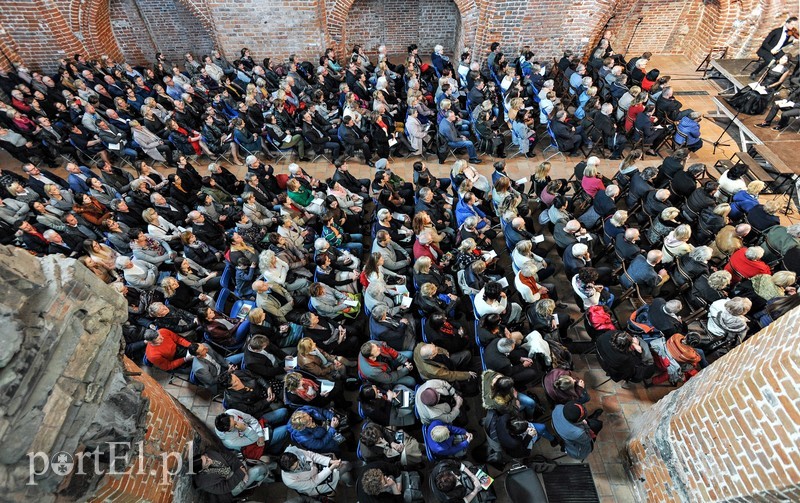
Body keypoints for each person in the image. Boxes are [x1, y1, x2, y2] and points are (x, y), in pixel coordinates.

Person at [214, 408, 289, 460]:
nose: (237, 422)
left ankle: (277, 438)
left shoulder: (230, 412)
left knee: (284, 412)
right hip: (254, 443)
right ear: (228, 431)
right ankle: (274, 450)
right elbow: (253, 439)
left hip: (258, 428)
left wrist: (260, 433)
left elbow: (250, 419)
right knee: (286, 429)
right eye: (234, 425)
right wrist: (244, 429)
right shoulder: (230, 441)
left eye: (233, 419)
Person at [192, 449, 270, 498]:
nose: (209, 459)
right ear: (201, 470)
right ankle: (274, 467)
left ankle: (269, 477)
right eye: (206, 462)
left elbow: (231, 459)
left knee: (259, 476)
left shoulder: (210, 453)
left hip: (234, 471)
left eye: (205, 457)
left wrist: (243, 471)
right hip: (232, 488)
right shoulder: (205, 482)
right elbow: (226, 487)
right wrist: (240, 473)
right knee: (258, 470)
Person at [279, 446, 354, 497]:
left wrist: (330, 461)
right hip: (315, 485)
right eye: (295, 468)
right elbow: (313, 482)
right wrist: (330, 468)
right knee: (346, 470)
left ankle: (349, 482)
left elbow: (312, 456)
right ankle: (351, 480)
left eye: (298, 463)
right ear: (288, 471)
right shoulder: (290, 481)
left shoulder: (294, 452)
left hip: (317, 468)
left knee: (346, 473)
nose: (299, 467)